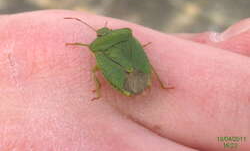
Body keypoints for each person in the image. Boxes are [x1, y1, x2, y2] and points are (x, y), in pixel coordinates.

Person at [0, 10, 249, 150]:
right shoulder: (128, 38)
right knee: (146, 63)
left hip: (124, 79)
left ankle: (103, 91)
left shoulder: (96, 48)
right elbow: (142, 49)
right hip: (138, 64)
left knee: (95, 72)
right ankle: (160, 85)